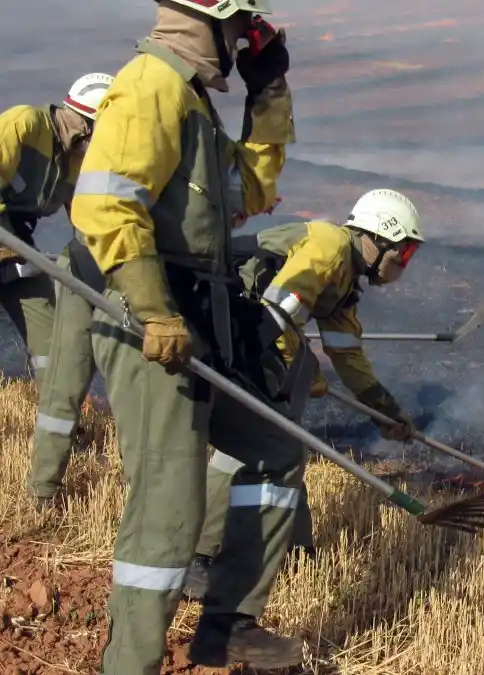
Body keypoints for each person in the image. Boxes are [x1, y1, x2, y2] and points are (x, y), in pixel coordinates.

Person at [67, 0, 307, 672]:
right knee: (171, 506)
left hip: (198, 317)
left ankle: (226, 625)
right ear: (210, 20)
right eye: (240, 30)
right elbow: (106, 202)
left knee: (271, 449)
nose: (243, 42)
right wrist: (153, 310)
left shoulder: (193, 104)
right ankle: (131, 662)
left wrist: (269, 95)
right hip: (150, 318)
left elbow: (250, 191)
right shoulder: (149, 85)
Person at [182, 188, 425, 600]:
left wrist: (385, 412)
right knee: (247, 442)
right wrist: (300, 368)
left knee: (285, 441)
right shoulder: (329, 246)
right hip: (221, 318)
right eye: (402, 253)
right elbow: (272, 315)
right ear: (379, 237)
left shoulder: (345, 283)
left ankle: (295, 549)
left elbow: (349, 358)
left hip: (246, 328)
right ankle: (193, 557)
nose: (402, 263)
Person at [0, 73, 112, 475]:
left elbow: (85, 220)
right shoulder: (23, 124)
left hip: (16, 253)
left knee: (51, 344)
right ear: (84, 123)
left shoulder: (79, 162)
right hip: (8, 242)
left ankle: (64, 429)